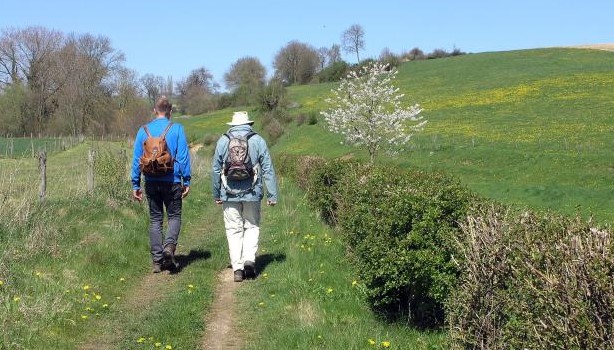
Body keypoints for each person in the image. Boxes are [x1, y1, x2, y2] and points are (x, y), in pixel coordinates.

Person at [212, 111, 278, 282]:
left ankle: (238, 269)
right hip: (253, 192)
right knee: (252, 226)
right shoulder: (258, 140)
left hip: (228, 192)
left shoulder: (223, 140)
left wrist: (216, 192)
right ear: (249, 124)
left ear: (232, 125)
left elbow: (215, 169)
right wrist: (272, 194)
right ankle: (249, 260)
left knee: (233, 230)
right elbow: (268, 168)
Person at [131, 96, 191, 273]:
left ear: (154, 111)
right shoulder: (177, 128)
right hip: (172, 181)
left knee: (156, 219)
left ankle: (157, 261)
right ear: (170, 112)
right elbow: (183, 157)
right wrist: (186, 180)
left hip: (150, 181)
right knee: (174, 216)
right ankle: (169, 248)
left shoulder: (143, 130)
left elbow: (136, 160)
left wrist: (135, 184)